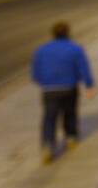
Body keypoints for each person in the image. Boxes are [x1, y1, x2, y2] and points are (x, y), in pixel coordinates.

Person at [30, 21, 94, 162]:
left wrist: (43, 81)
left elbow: (35, 73)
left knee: (49, 118)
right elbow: (83, 68)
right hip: (69, 87)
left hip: (49, 89)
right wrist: (89, 85)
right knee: (70, 113)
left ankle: (47, 145)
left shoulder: (41, 50)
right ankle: (70, 137)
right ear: (68, 32)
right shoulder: (75, 49)